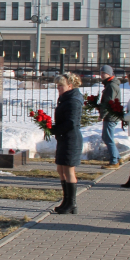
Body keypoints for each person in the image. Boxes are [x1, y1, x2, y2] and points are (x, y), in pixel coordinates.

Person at [49, 73, 83, 214]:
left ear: (70, 86)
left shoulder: (73, 100)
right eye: (57, 86)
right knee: (61, 169)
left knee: (68, 170)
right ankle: (66, 201)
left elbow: (71, 122)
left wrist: (55, 129)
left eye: (61, 86)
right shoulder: (65, 98)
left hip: (71, 138)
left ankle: (72, 204)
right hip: (63, 138)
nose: (58, 88)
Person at [98, 65, 121, 169]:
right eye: (101, 73)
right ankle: (117, 157)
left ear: (109, 74)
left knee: (108, 137)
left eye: (104, 73)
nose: (102, 75)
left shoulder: (111, 86)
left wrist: (102, 115)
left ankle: (114, 161)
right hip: (112, 114)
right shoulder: (110, 84)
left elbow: (108, 102)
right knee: (107, 137)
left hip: (111, 115)